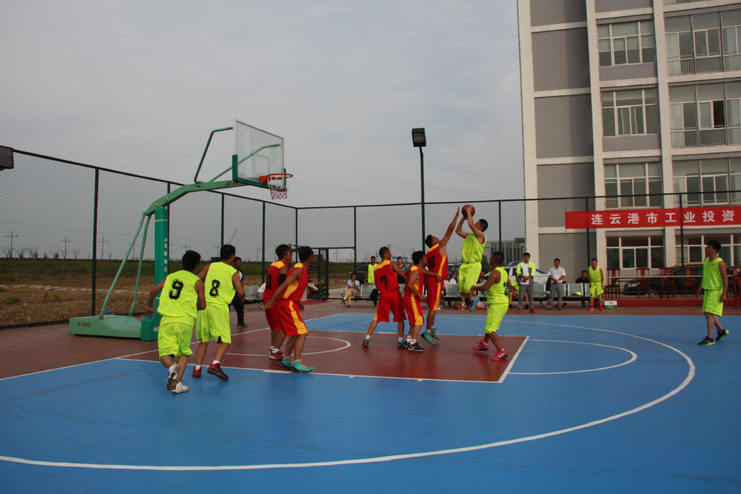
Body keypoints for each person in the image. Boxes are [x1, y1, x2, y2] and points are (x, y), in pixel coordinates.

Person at [145, 250, 206, 394]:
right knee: (183, 354)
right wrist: (191, 304)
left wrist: (149, 306)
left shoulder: (170, 277)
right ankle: (177, 383)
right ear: (196, 266)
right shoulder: (197, 282)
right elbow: (203, 306)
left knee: (164, 354)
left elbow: (153, 291)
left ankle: (171, 368)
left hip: (167, 320)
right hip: (185, 321)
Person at [192, 244, 245, 381]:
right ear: (232, 256)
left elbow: (197, 278)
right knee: (225, 340)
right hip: (219, 307)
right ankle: (215, 364)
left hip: (204, 306)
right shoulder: (232, 272)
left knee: (204, 340)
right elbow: (240, 292)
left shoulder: (210, 266)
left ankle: (197, 368)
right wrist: (241, 293)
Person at [263, 246, 316, 372]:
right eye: (313, 255)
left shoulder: (301, 269)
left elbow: (291, 287)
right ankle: (297, 362)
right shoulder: (298, 269)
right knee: (302, 332)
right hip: (287, 305)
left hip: (289, 303)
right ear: (310, 257)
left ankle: (286, 360)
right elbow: (285, 283)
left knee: (295, 333)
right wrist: (273, 298)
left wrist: (297, 300)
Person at [362, 246, 423, 348]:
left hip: (383, 294)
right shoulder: (391, 263)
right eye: (389, 252)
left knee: (376, 318)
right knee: (400, 318)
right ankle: (400, 341)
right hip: (394, 293)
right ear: (385, 254)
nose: (391, 254)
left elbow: (377, 282)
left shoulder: (376, 268)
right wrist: (409, 268)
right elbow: (402, 274)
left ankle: (367, 338)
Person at [421, 208, 459, 344]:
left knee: (434, 306)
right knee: (433, 307)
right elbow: (449, 231)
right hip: (435, 281)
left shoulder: (427, 254)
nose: (438, 238)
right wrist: (456, 217)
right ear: (433, 242)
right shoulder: (439, 247)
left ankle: (431, 328)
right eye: (436, 238)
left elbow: (423, 269)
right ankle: (426, 331)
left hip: (431, 280)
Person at [471, 251, 509, 361]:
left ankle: (501, 351)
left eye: (491, 257)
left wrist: (474, 287)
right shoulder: (503, 272)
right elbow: (508, 284)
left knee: (490, 328)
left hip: (497, 303)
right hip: (502, 302)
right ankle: (484, 343)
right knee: (490, 324)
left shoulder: (495, 272)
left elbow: (486, 287)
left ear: (493, 260)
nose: (490, 258)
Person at [455, 205, 488, 313]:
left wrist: (469, 212)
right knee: (461, 290)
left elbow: (470, 224)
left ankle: (482, 285)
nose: (474, 224)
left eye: (477, 223)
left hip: (474, 265)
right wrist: (462, 219)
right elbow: (458, 231)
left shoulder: (481, 236)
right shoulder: (470, 236)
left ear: (481, 227)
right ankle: (473, 299)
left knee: (468, 287)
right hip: (465, 265)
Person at [698, 239, 729, 346]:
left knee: (708, 313)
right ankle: (721, 330)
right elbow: (705, 274)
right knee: (709, 312)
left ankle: (710, 338)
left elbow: (725, 279)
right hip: (707, 290)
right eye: (706, 247)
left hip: (716, 291)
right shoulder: (707, 260)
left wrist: (724, 293)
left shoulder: (719, 262)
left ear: (715, 250)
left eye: (708, 248)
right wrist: (700, 286)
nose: (706, 249)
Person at [264, 244, 291, 360]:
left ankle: (273, 348)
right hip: (274, 299)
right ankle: (275, 351)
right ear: (285, 255)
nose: (291, 255)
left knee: (274, 327)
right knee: (282, 327)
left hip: (267, 297)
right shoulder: (283, 267)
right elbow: (282, 284)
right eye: (290, 253)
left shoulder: (274, 264)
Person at [403, 251, 428, 352]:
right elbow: (410, 284)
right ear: (421, 261)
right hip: (411, 298)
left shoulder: (417, 270)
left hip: (412, 298)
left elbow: (426, 273)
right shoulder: (416, 271)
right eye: (425, 258)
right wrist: (420, 295)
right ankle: (412, 343)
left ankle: (409, 340)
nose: (426, 259)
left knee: (414, 321)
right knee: (419, 320)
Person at [230, 257, 247, 328]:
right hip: (230, 291)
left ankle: (240, 322)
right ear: (234, 262)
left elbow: (241, 282)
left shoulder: (240, 271)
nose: (239, 264)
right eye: (238, 262)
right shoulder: (230, 270)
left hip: (237, 293)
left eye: (240, 262)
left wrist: (242, 291)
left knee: (240, 306)